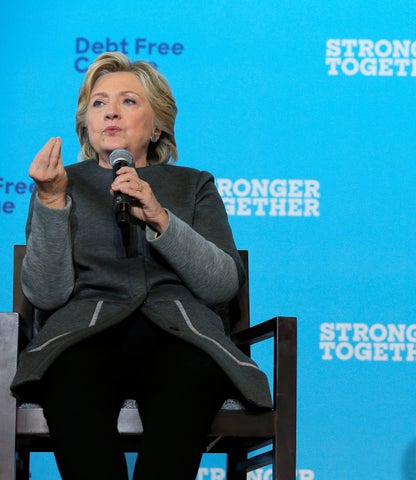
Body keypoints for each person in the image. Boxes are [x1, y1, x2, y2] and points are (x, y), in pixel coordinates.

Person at [10, 51, 272, 480]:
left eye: (129, 101)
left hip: (181, 335)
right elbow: (46, 294)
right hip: (83, 336)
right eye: (99, 103)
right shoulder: (59, 182)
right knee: (68, 376)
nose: (111, 111)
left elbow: (222, 285)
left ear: (157, 126)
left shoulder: (193, 184)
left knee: (193, 373)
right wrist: (52, 203)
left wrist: (160, 218)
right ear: (86, 123)